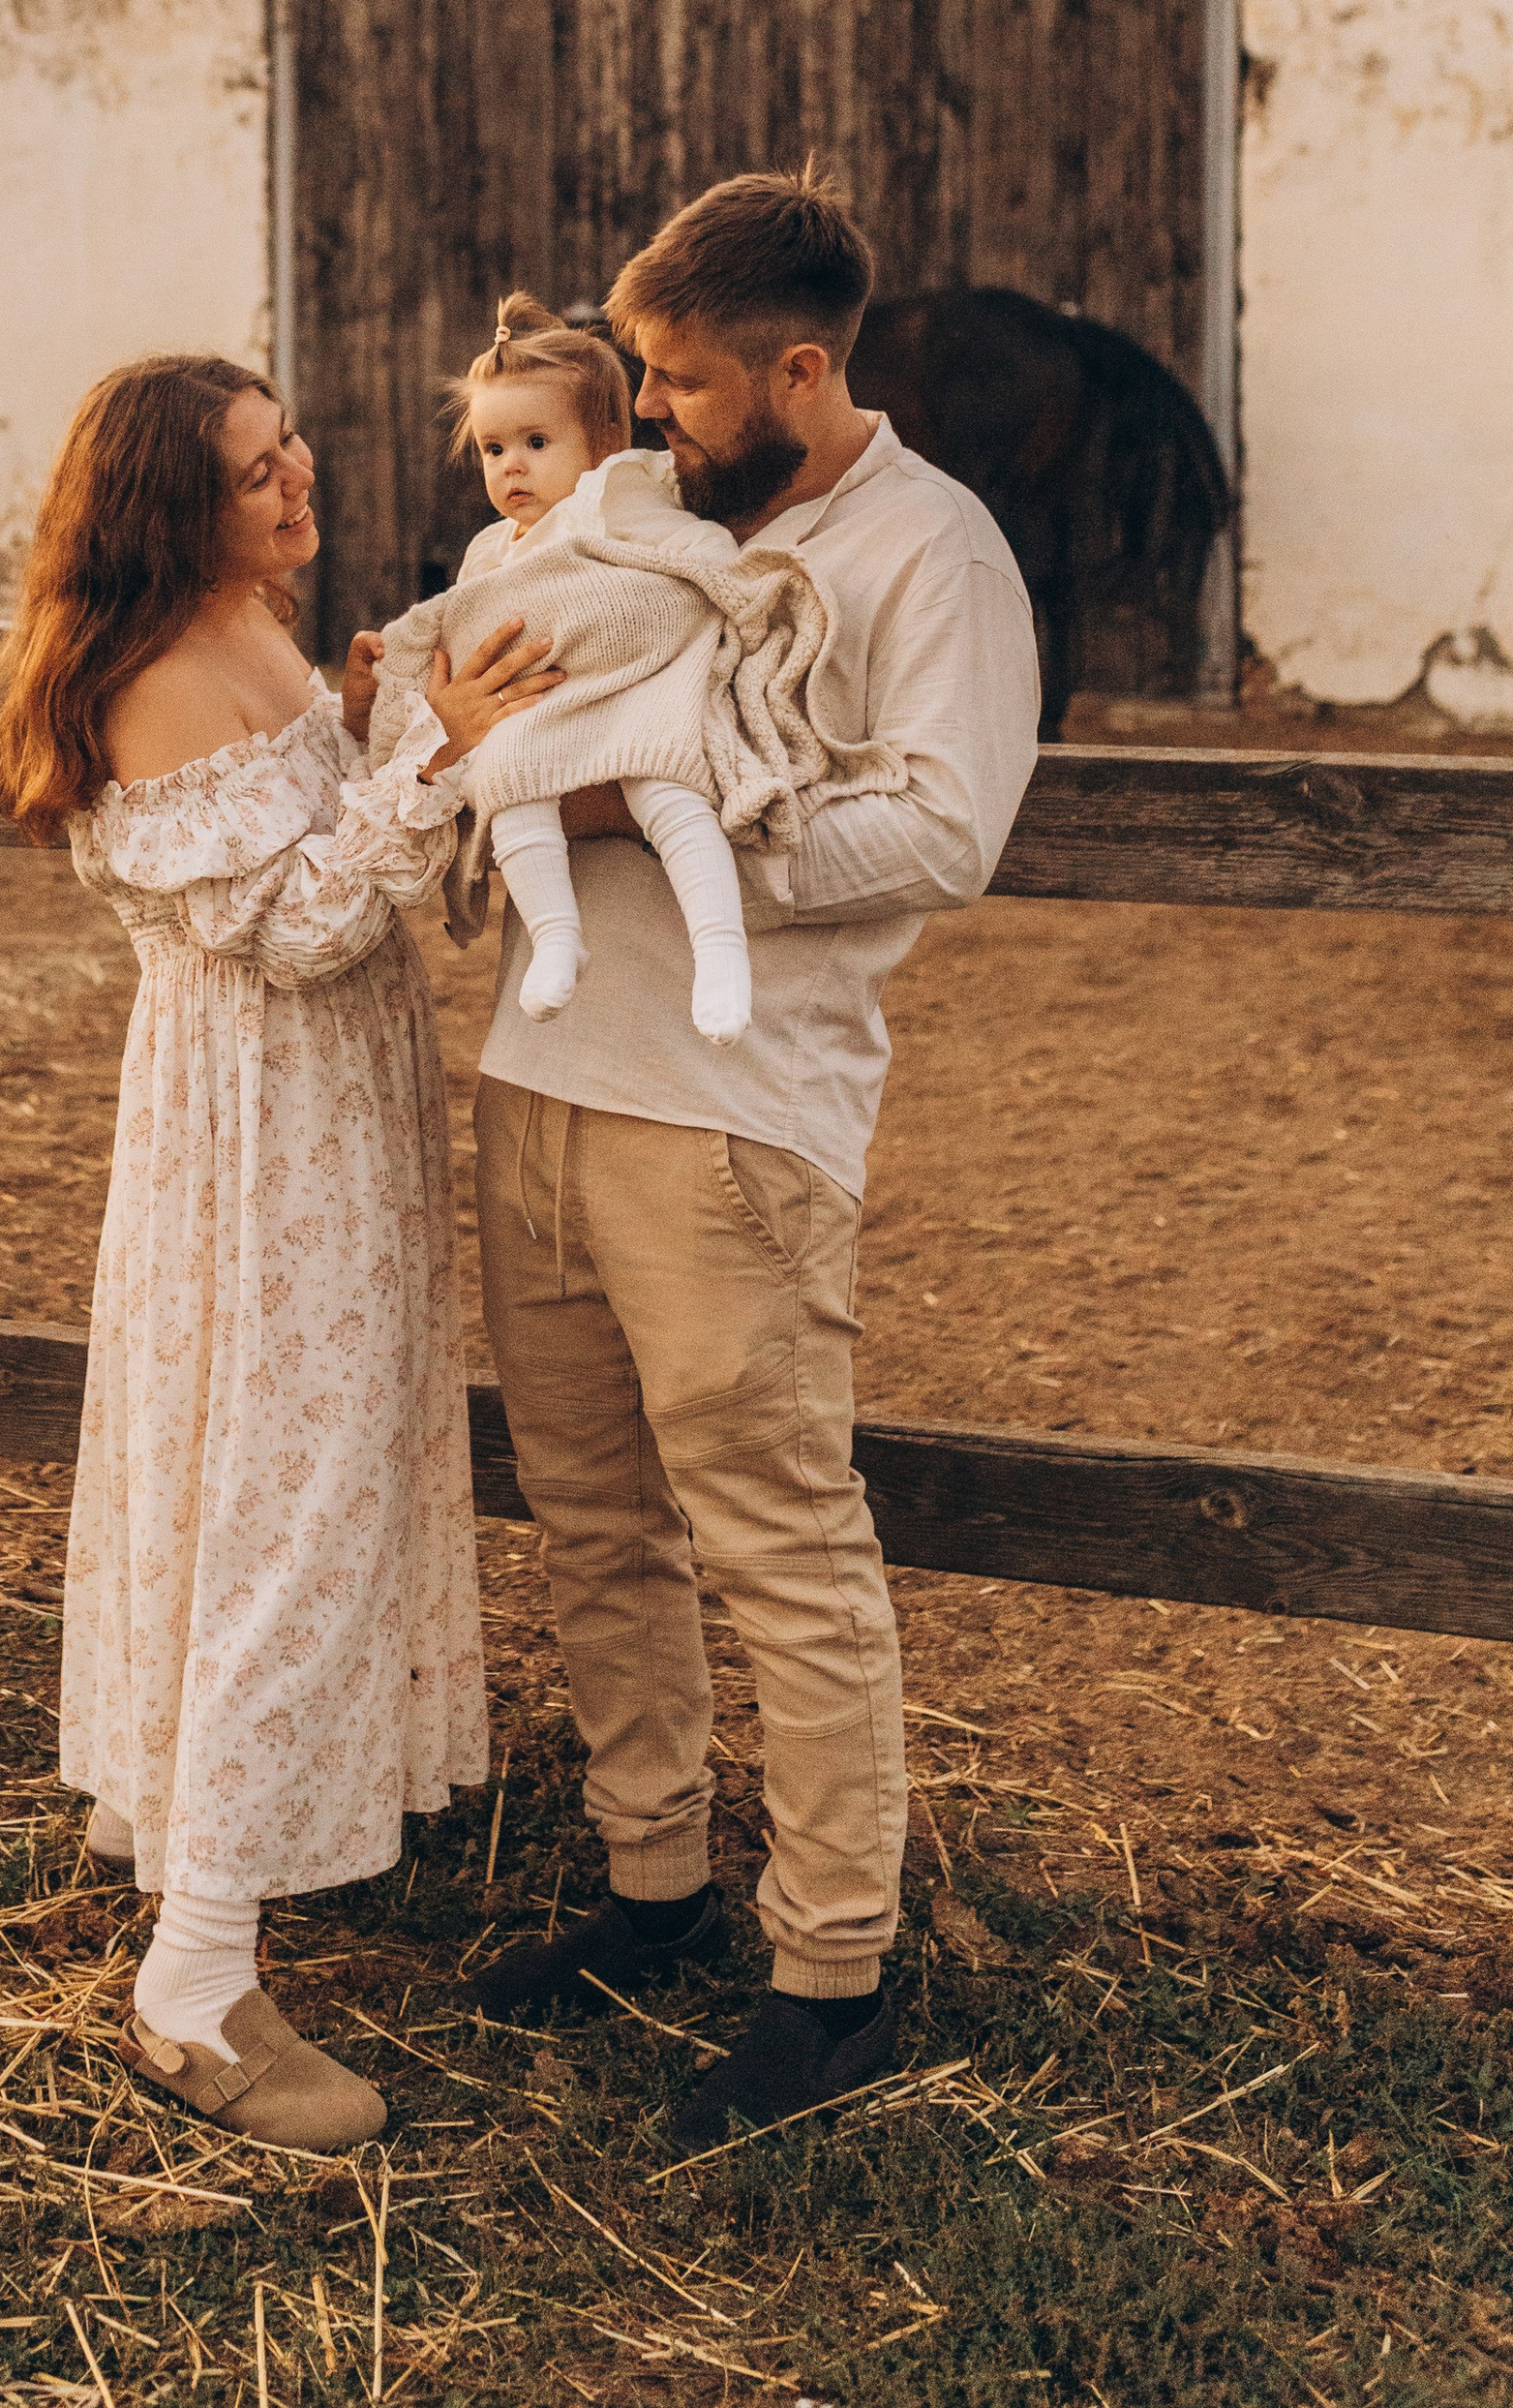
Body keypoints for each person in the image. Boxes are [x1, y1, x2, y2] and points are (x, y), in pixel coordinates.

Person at [459, 168, 1041, 2146]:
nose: (651, 415)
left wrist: (659, 820)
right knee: (590, 1518)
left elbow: (943, 835)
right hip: (538, 1081)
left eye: (689, 386)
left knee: (777, 1544)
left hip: (726, 1125)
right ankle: (649, 1885)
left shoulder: (926, 557)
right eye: (637, 377)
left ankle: (827, 1966)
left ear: (800, 368)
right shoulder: (636, 519)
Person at [0, 351, 557, 2153]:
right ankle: (195, 1982)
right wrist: (435, 758)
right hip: (261, 1144)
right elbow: (301, 926)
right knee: (280, 1513)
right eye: (253, 470)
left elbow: (331, 851)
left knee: (295, 1482)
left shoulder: (254, 630)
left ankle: (212, 1839)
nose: (298, 478)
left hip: (334, 1120)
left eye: (289, 441)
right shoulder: (153, 676)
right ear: (171, 508)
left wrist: (379, 722)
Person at [363, 292, 906, 1045]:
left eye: (535, 443)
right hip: (543, 712)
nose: (512, 466)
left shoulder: (624, 499)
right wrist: (401, 667)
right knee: (507, 788)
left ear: (603, 442)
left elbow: (708, 561)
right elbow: (466, 621)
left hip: (633, 697)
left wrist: (735, 594)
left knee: (669, 790)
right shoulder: (494, 551)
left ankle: (720, 951)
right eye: (493, 451)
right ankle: (557, 937)